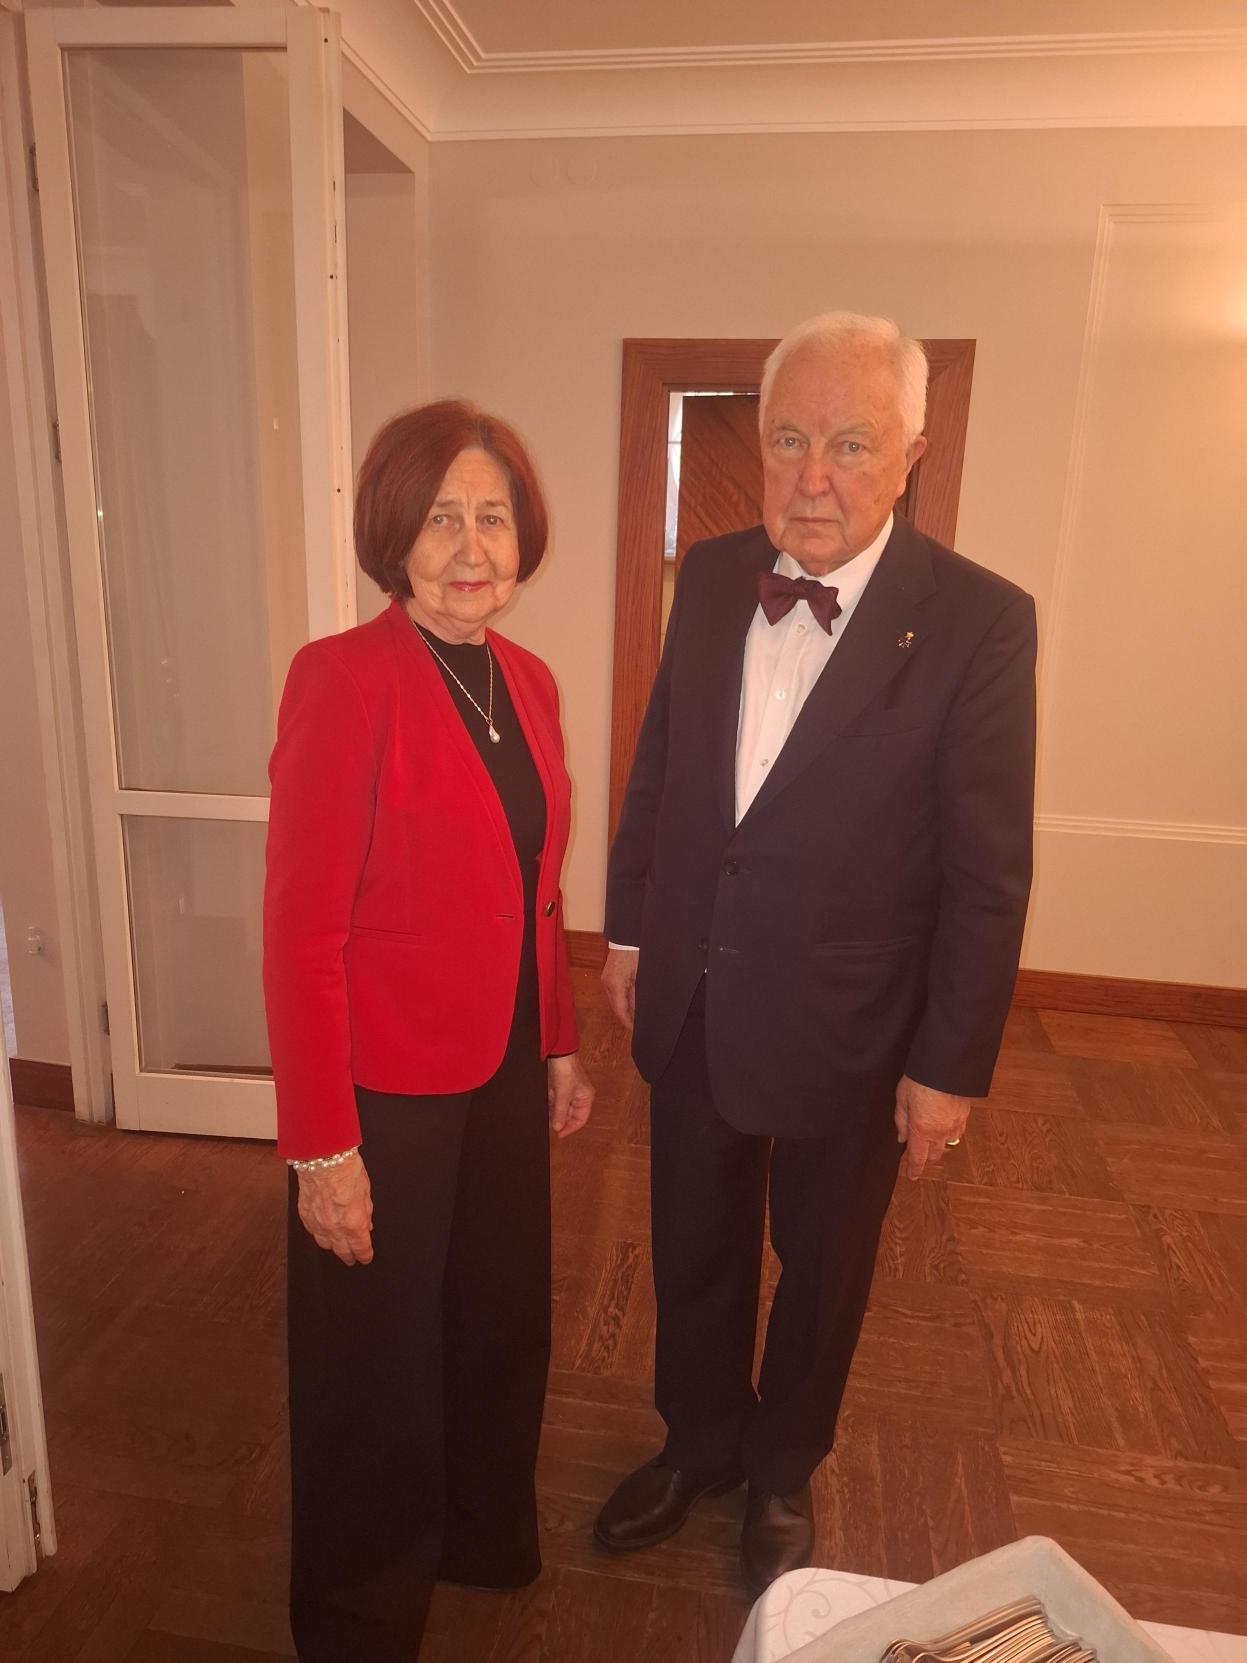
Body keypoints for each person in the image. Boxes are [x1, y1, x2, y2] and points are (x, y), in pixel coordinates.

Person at [594, 312, 1036, 1596]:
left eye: (850, 444)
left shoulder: (978, 622)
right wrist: (629, 930)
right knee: (691, 1238)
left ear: (909, 452)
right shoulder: (708, 575)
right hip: (693, 986)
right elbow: (661, 768)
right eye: (787, 439)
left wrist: (945, 1067)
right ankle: (696, 1441)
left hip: (855, 1022)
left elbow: (985, 873)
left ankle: (781, 1465)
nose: (812, 476)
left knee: (823, 1264)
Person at [263, 400, 593, 1662]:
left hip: (500, 1059)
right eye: (442, 517)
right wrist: (320, 1147)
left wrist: (555, 1038)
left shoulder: (529, 680)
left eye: (492, 517)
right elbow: (300, 933)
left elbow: (534, 884)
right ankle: (358, 1613)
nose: (471, 546)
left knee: (497, 1314)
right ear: (394, 535)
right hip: (382, 1083)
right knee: (373, 1356)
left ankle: (476, 1535)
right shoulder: (341, 680)